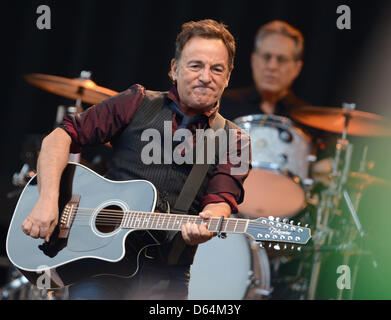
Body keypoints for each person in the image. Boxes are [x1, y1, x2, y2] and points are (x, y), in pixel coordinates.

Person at [20, 19, 251, 300]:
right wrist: (47, 200)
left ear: (227, 77)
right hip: (100, 267)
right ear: (174, 69)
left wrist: (209, 224)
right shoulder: (136, 102)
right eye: (195, 65)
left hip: (165, 277)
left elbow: (221, 199)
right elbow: (59, 137)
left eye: (217, 69)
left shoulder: (236, 140)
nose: (206, 76)